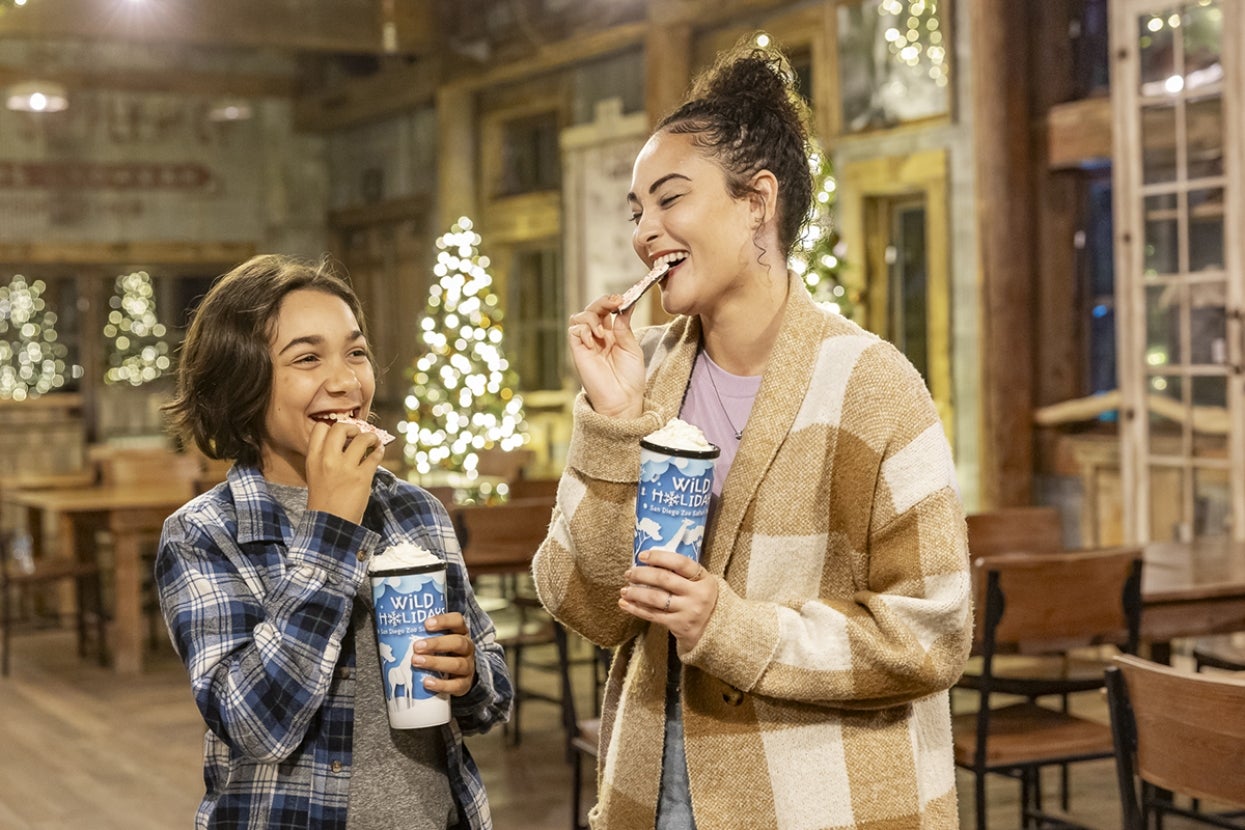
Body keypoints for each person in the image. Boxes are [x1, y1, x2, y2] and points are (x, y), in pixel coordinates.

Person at [532, 39, 972, 829]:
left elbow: (931, 633)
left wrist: (729, 628)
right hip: (655, 793)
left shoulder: (872, 386)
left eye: (669, 199)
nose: (645, 230)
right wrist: (615, 423)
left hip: (825, 803)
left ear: (757, 202)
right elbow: (584, 607)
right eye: (638, 211)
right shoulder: (647, 380)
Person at [156, 254, 512, 830]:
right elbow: (256, 726)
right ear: (242, 380)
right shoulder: (204, 534)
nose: (346, 380)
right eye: (307, 358)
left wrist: (471, 675)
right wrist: (332, 530)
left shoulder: (414, 509)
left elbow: (491, 693)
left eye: (356, 352)